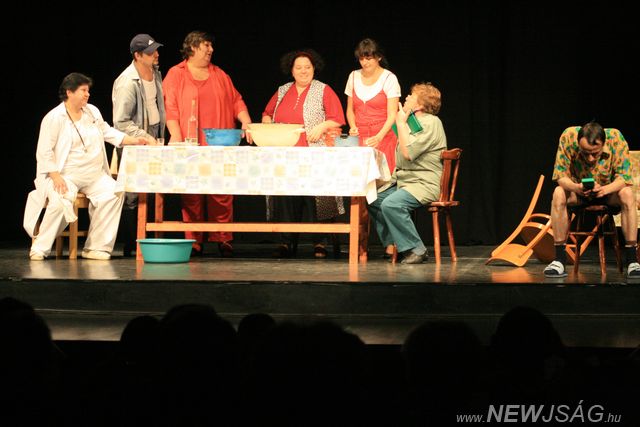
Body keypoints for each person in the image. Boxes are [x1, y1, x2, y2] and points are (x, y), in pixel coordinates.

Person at [24, 73, 147, 261]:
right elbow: (44, 151)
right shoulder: (54, 117)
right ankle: (40, 247)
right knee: (61, 200)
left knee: (114, 192)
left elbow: (107, 132)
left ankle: (96, 247)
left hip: (94, 175)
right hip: (66, 175)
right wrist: (55, 176)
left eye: (88, 90)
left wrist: (134, 140)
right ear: (69, 92)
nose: (87, 94)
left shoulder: (92, 112)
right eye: (83, 90)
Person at [163, 31, 252, 257]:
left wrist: (246, 121)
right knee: (191, 190)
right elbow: (170, 107)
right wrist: (176, 136)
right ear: (192, 48)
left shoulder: (220, 74)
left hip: (219, 141)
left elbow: (236, 100)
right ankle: (193, 239)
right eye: (206, 46)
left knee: (221, 189)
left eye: (211, 46)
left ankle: (223, 237)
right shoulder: (176, 74)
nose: (211, 50)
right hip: (190, 141)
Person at [262, 49, 346, 258]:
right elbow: (267, 113)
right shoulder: (283, 90)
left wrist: (322, 126)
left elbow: (337, 118)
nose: (303, 71)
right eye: (298, 67)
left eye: (307, 67)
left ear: (314, 69)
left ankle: (320, 241)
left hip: (314, 152)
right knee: (286, 197)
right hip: (286, 154)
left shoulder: (323, 89)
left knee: (315, 196)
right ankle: (286, 241)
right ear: (291, 70)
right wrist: (267, 123)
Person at [543, 122, 640, 278]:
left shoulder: (616, 138)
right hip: (579, 192)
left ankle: (632, 260)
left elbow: (624, 178)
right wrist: (577, 187)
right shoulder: (568, 137)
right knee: (558, 192)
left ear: (603, 144)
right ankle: (559, 260)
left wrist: (604, 190)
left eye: (595, 153)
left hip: (608, 193)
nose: (590, 158)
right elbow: (560, 176)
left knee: (628, 193)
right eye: (585, 153)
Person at [368, 82, 446, 264]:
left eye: (412, 96)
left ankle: (415, 249)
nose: (407, 97)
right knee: (373, 198)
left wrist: (401, 123)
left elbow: (408, 153)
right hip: (405, 181)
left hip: (423, 182)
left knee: (392, 204)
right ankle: (396, 243)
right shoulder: (412, 122)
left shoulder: (431, 123)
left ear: (420, 104)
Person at [112, 33, 166, 257]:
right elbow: (121, 122)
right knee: (133, 194)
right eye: (150, 52)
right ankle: (131, 244)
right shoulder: (127, 82)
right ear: (137, 55)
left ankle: (149, 240)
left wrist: (157, 136)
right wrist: (145, 137)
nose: (156, 54)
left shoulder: (155, 73)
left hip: (154, 136)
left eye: (156, 50)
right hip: (135, 141)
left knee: (153, 189)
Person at [345, 38, 400, 174]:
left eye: (369, 58)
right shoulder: (353, 76)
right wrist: (353, 126)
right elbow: (350, 110)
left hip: (383, 137)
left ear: (378, 57)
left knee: (382, 179)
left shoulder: (389, 78)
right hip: (360, 138)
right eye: (362, 59)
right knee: (360, 178)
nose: (365, 62)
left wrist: (379, 137)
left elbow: (392, 114)